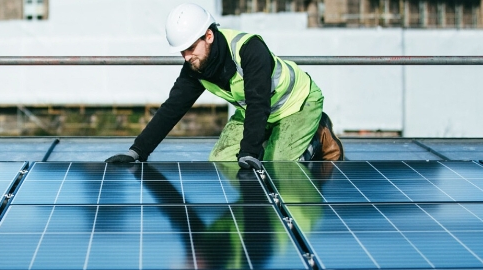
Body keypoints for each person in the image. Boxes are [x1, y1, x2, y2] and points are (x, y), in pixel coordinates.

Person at [105, 3, 344, 169]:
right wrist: (137, 152)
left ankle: (319, 134)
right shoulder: (197, 67)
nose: (186, 56)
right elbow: (172, 109)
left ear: (208, 36)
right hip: (259, 112)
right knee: (222, 161)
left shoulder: (248, 50)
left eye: (190, 48)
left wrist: (249, 152)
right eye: (182, 51)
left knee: (279, 163)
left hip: (298, 103)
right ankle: (268, 138)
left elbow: (258, 102)